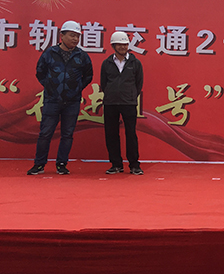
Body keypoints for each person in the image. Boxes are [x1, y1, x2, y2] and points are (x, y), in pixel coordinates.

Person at [27, 20, 93, 175]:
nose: (75, 39)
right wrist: (50, 87)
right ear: (62, 36)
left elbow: (88, 76)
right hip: (52, 101)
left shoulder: (82, 56)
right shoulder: (50, 53)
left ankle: (62, 164)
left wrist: (76, 88)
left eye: (77, 36)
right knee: (45, 133)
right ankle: (39, 164)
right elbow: (40, 72)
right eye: (72, 35)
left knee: (67, 134)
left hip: (72, 102)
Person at [101, 31, 144, 175]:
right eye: (119, 44)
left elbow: (138, 84)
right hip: (110, 103)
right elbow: (104, 83)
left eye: (125, 44)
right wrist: (111, 94)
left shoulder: (135, 63)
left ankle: (134, 165)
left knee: (131, 134)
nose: (122, 47)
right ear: (113, 46)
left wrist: (130, 95)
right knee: (111, 134)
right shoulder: (106, 63)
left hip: (129, 103)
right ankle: (116, 164)